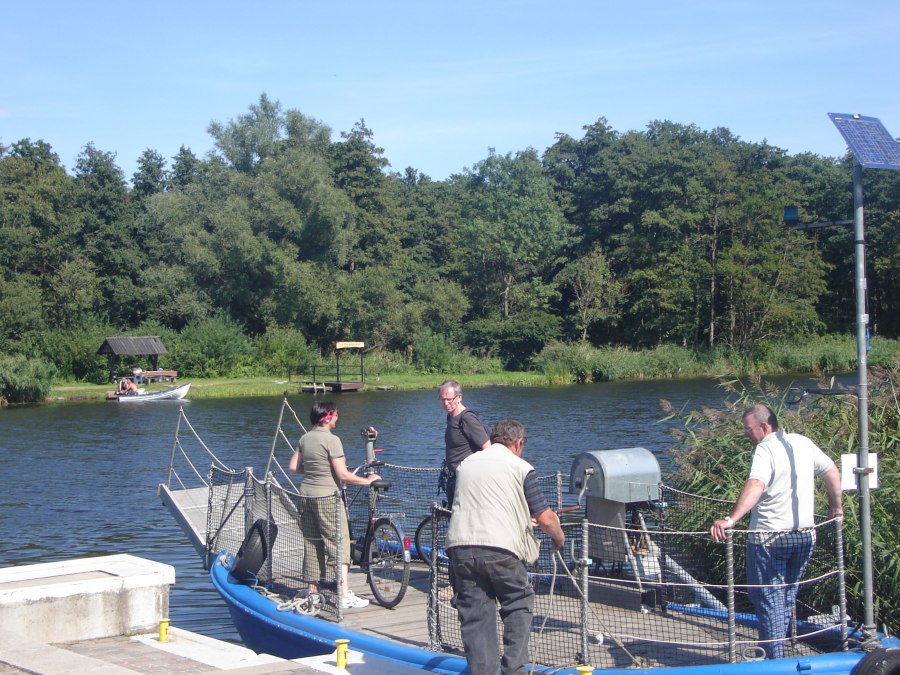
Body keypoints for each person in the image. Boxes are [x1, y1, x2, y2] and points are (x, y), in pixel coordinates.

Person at [709, 403, 843, 659]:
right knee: (785, 596)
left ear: (764, 426)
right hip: (804, 536)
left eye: (748, 429)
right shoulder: (802, 442)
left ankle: (774, 659)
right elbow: (832, 472)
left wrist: (731, 519)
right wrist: (836, 509)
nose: (746, 434)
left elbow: (756, 484)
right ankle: (777, 651)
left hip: (769, 539)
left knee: (767, 597)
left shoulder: (765, 449)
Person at [446, 418, 565, 675]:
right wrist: (559, 539)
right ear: (518, 443)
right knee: (518, 601)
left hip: (460, 547)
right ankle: (514, 668)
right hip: (500, 548)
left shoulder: (466, 464)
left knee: (475, 614)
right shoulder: (521, 467)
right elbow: (545, 517)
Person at [289, 401, 381, 610]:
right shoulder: (332, 440)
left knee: (312, 542)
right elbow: (342, 475)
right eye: (336, 415)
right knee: (338, 543)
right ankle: (343, 594)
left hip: (306, 496)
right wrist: (369, 480)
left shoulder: (305, 438)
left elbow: (294, 467)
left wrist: (316, 470)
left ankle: (312, 592)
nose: (337, 419)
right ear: (327, 417)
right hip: (328, 498)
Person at [439, 379, 490, 507]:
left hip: (466, 481)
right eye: (442, 399)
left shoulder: (467, 418)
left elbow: (488, 448)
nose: (445, 403)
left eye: (449, 399)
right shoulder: (450, 416)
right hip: (453, 479)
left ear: (459, 397)